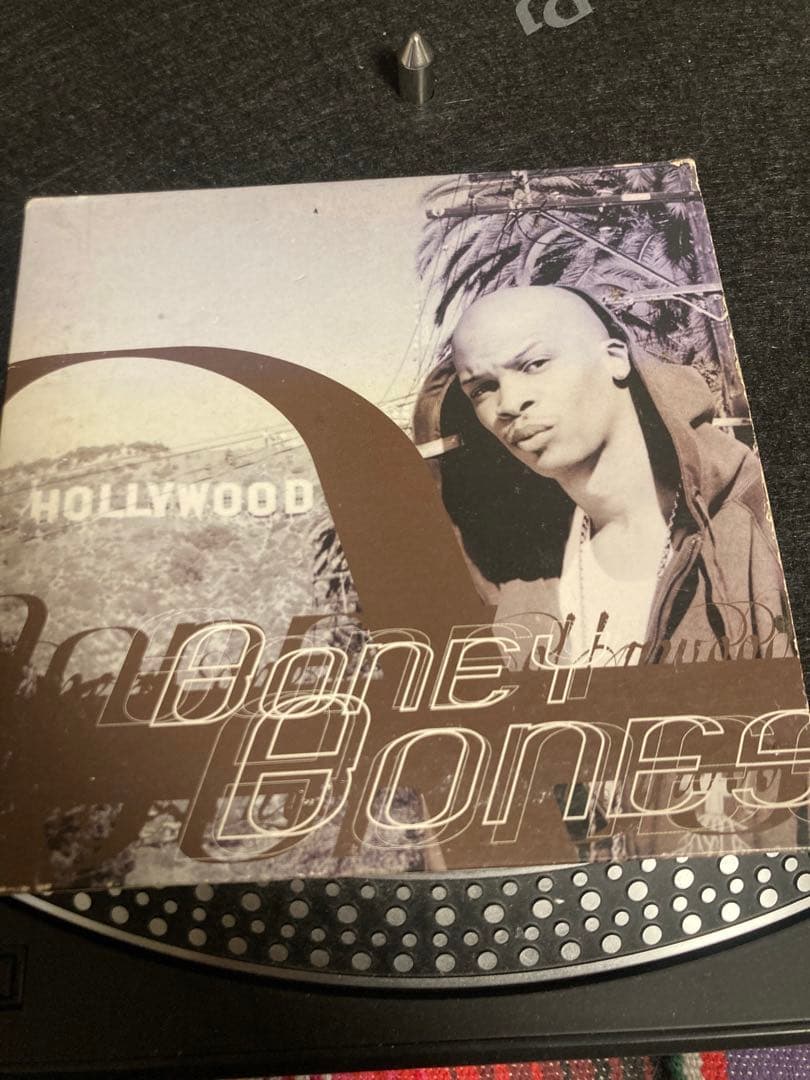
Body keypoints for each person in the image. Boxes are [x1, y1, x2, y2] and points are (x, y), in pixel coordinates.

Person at [413, 285, 795, 665]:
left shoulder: (759, 522)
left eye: (535, 364)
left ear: (615, 358)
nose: (509, 403)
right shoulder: (519, 580)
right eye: (483, 388)